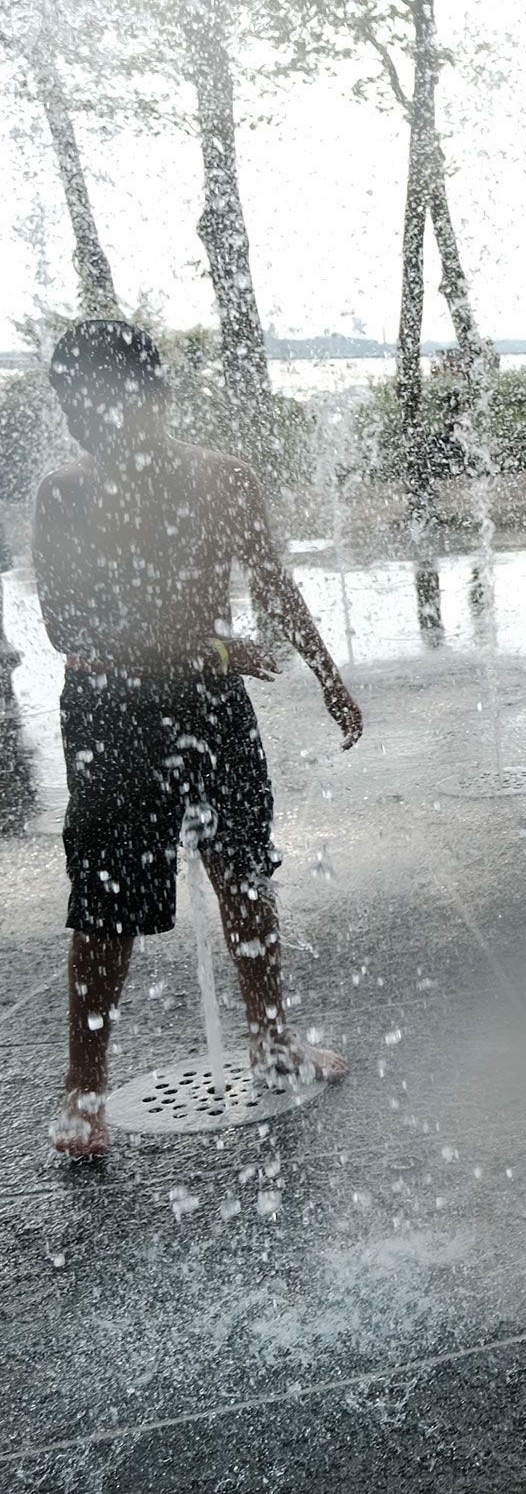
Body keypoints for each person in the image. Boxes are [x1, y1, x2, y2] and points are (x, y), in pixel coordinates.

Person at [32, 320, 363, 1156]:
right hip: (111, 717)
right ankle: (83, 1092)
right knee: (105, 904)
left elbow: (274, 586)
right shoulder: (65, 493)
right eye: (70, 403)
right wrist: (213, 646)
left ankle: (273, 1040)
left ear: (152, 398)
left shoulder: (224, 480)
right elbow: (70, 627)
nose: (80, 420)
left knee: (245, 873)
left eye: (95, 401)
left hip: (211, 711)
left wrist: (328, 673)